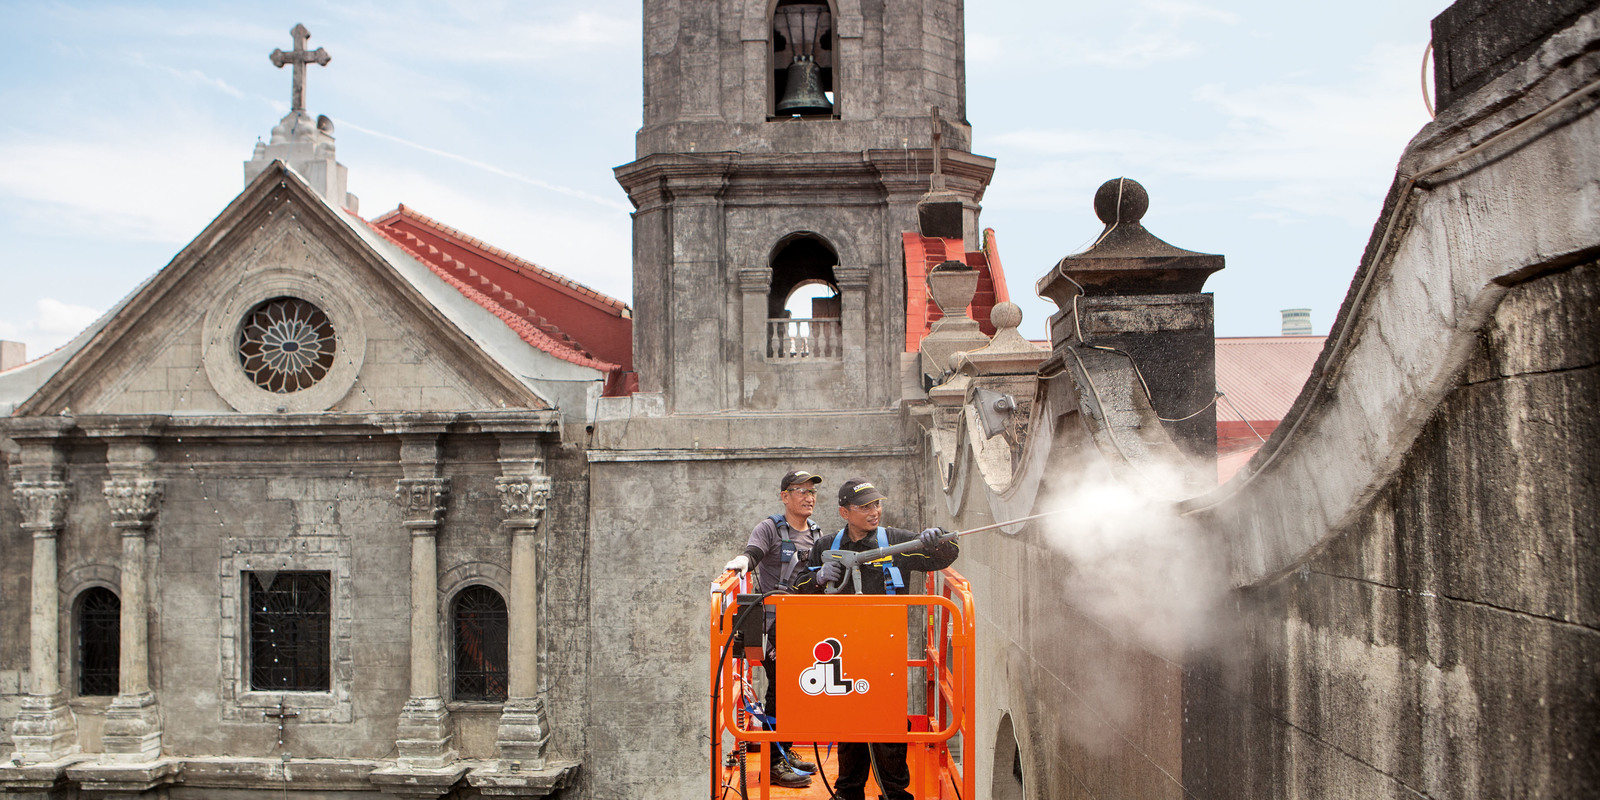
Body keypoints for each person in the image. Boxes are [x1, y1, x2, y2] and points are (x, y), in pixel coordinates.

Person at [792, 477, 959, 800]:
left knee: (888, 724)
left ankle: (895, 793)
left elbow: (944, 556)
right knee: (849, 721)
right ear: (845, 511)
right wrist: (818, 577)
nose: (874, 511)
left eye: (877, 504)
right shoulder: (827, 547)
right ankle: (848, 791)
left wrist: (936, 540)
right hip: (844, 649)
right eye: (865, 506)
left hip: (885, 648)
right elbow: (798, 586)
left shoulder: (896, 542)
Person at [723, 469, 825, 789]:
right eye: (801, 491)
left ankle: (785, 749)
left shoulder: (817, 533)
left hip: (807, 625)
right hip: (775, 626)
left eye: (812, 492)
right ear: (784, 496)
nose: (809, 497)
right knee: (780, 689)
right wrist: (743, 561)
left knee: (800, 690)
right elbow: (753, 554)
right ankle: (772, 763)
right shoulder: (769, 529)